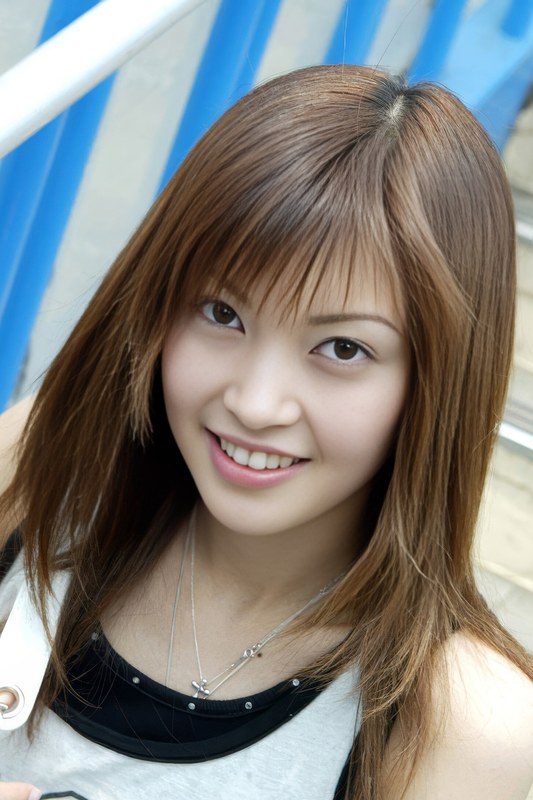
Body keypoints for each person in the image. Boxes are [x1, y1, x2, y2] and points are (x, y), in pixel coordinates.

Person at [0, 65, 532, 800]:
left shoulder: (464, 730)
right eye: (222, 313)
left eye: (342, 348)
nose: (254, 403)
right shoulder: (39, 473)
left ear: (439, 384)